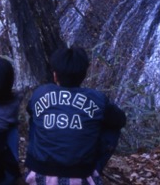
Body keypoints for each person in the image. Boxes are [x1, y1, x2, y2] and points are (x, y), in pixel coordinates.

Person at [25, 46, 127, 185]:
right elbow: (120, 120)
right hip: (80, 175)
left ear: (55, 75)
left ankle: (33, 168)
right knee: (111, 125)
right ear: (84, 75)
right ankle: (94, 169)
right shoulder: (97, 99)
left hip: (39, 172)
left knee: (35, 118)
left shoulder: (40, 93)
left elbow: (30, 110)